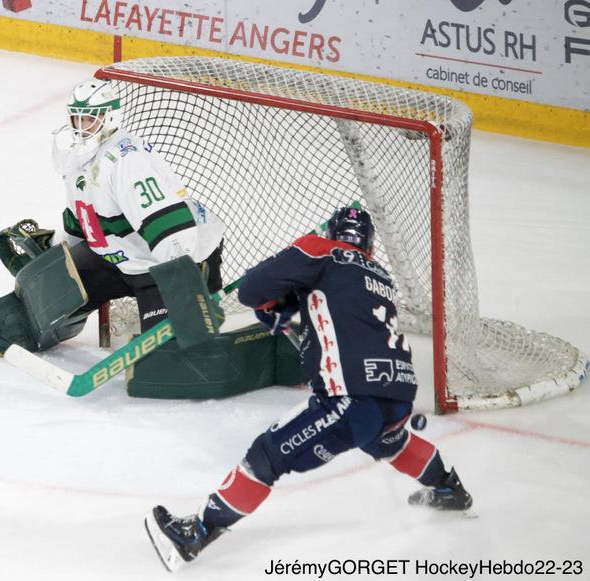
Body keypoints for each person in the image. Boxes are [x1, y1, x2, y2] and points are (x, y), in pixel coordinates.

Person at [144, 206, 474, 572]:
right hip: (397, 396)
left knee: (267, 455)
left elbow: (253, 290)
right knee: (391, 441)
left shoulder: (321, 250)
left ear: (333, 233)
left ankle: (198, 532)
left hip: (350, 399)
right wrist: (289, 302)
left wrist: (278, 298)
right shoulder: (381, 277)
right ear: (370, 244)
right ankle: (449, 488)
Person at [50, 78, 226, 331]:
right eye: (77, 119)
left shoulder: (125, 159)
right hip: (119, 258)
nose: (82, 128)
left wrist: (184, 278)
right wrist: (54, 254)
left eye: (90, 119)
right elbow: (80, 220)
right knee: (56, 294)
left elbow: (165, 223)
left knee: (165, 353)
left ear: (109, 117)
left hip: (165, 263)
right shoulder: (77, 161)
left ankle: (198, 295)